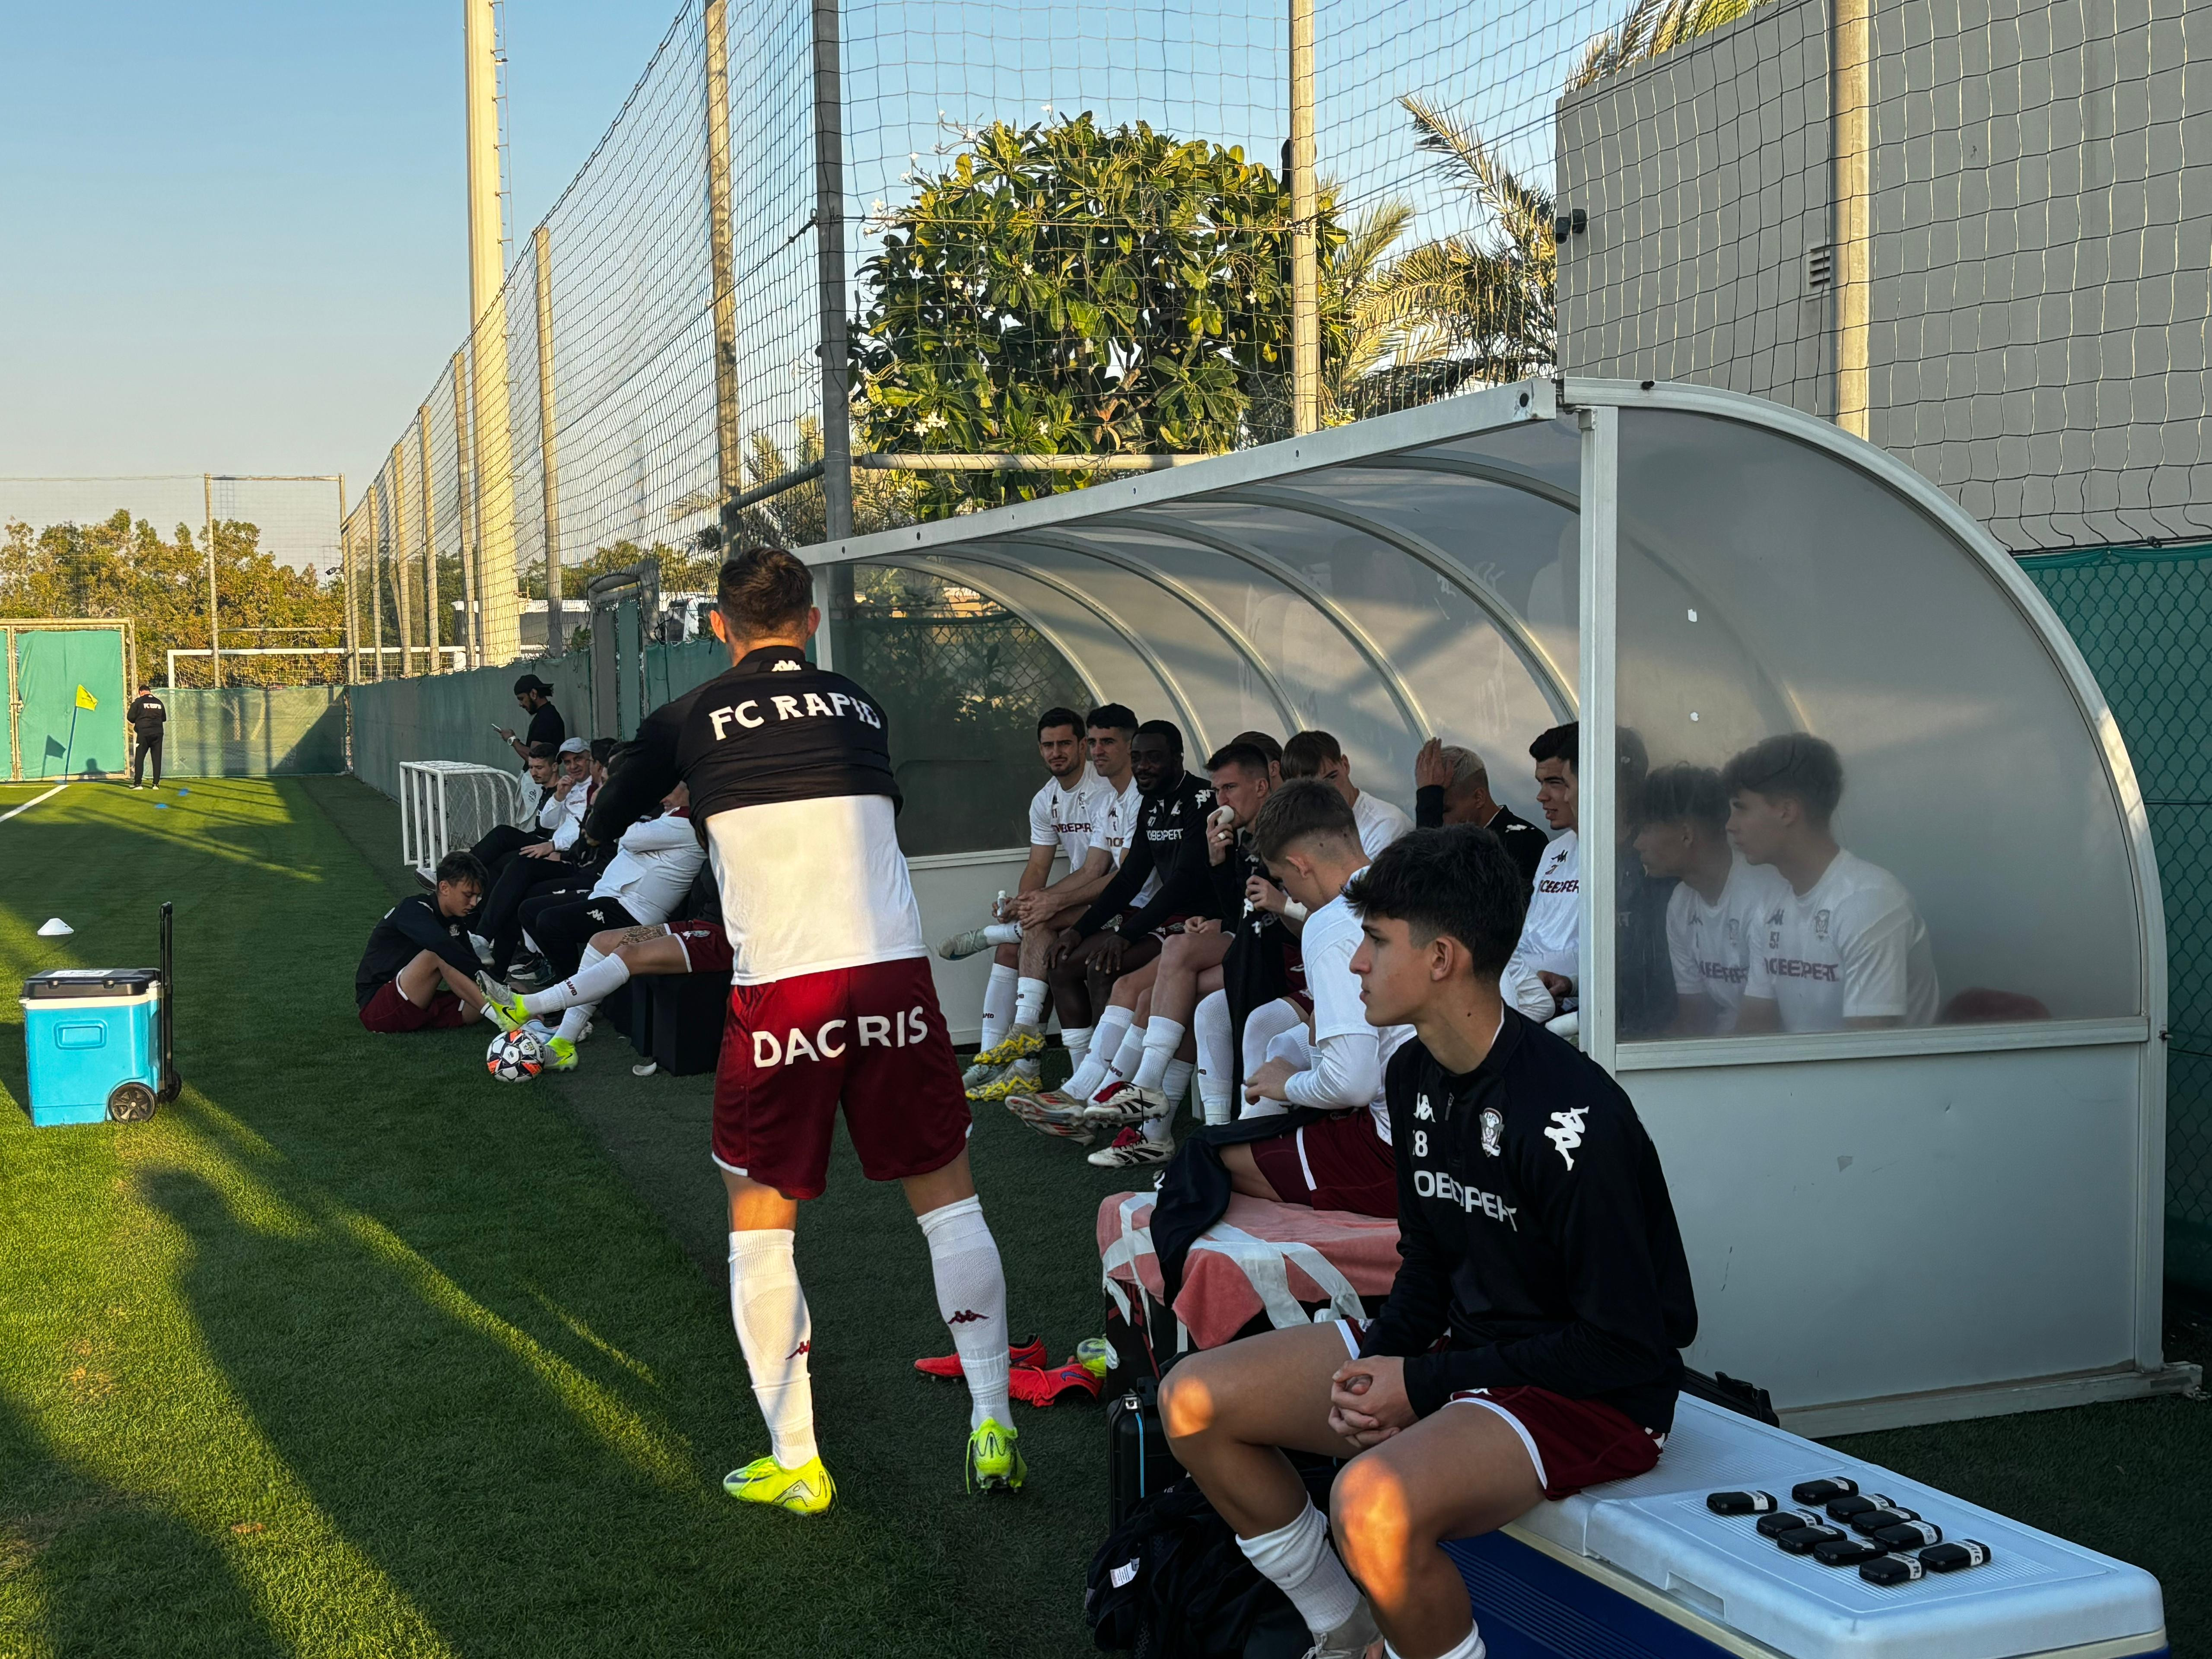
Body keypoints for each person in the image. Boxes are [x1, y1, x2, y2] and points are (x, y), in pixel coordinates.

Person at [1160, 826, 1698, 1659]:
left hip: (1592, 1397)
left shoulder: (1572, 1116)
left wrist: (1421, 1383)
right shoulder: (1412, 1073)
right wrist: (1386, 1359)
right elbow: (1429, 1260)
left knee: (1368, 1502)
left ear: (1443, 958)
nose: (1355, 964)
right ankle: (1343, 1631)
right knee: (1193, 1401)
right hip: (1463, 1352)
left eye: (1376, 942)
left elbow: (1625, 1344)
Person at [577, 545, 1027, 1511]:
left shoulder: (688, 715)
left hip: (784, 987)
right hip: (895, 975)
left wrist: (681, 789)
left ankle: (796, 1459)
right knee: (948, 1199)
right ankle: (993, 1420)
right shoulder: (859, 703)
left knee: (761, 1223)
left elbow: (608, 813)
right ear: (811, 623)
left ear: (718, 626)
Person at [1025, 741, 1273, 1168]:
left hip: (1265, 953)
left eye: (1229, 788)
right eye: (1218, 789)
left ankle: (1125, 1096)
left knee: (1175, 978)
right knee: (1138, 990)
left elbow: (1203, 891)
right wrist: (1220, 868)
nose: (1221, 799)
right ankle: (1123, 1111)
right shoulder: (1231, 831)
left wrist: (1136, 930)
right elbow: (1230, 905)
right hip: (1232, 937)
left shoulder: (1265, 829)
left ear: (1263, 785)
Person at [1220, 780, 1414, 1216]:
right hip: (1490, 1130)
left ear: (1299, 865)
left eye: (1283, 880)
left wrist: (1286, 1083)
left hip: (1406, 1153)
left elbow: (1353, 1084)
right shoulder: (1426, 888)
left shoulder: (1330, 923)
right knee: (1292, 1044)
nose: (1289, 894)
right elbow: (1530, 1000)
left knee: (1215, 1158)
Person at [939, 706, 1123, 1096]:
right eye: (1048, 746)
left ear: (1082, 746)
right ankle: (994, 1063)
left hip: (1109, 897)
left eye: (1065, 744)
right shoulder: (1045, 799)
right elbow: (1038, 866)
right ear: (1039, 749)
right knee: (1012, 947)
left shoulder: (1106, 790)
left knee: (1039, 924)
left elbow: (1097, 871)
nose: (1056, 753)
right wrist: (1021, 902)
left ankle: (1024, 1057)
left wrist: (1041, 903)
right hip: (1083, 896)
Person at [1723, 734, 1939, 1032]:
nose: (1730, 825)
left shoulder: (1869, 903)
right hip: (1810, 1065)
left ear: (1787, 811)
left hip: (1874, 1064)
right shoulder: (1770, 903)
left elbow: (1869, 1049)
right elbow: (1754, 1027)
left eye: (1741, 808)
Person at [1043, 719, 1218, 1047]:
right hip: (1165, 916)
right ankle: (1084, 1066)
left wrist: (1126, 935)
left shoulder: (1202, 798)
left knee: (1102, 968)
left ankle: (1109, 1068)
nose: (1142, 767)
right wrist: (1079, 930)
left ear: (1177, 758)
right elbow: (1129, 877)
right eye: (1137, 758)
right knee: (1061, 964)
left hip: (1201, 921)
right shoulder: (1151, 801)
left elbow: (1185, 880)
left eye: (1153, 758)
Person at [515, 781, 706, 1023]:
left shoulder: (688, 824)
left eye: (669, 790)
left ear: (690, 791)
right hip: (609, 896)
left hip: (634, 910)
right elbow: (629, 840)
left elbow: (629, 837)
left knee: (551, 921)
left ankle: (573, 997)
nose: (662, 799)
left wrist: (628, 827)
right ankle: (574, 986)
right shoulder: (670, 817)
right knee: (530, 909)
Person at [1632, 763, 1778, 1035]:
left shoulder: (1764, 897)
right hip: (1725, 1048)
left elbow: (1760, 1028)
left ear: (1687, 835)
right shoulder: (1680, 903)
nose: (1637, 843)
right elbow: (1695, 1018)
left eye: (1647, 829)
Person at [487, 912, 732, 1068]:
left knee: (627, 955)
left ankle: (525, 1006)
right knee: (601, 941)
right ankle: (563, 1044)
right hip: (702, 922)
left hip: (729, 935)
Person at [356, 851, 492, 1031]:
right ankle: (503, 1014)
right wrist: (492, 987)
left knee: (510, 990)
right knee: (437, 954)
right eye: (468, 895)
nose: (474, 903)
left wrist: (502, 987)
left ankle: (508, 1008)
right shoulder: (413, 909)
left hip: (419, 999)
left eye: (478, 896)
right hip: (378, 1006)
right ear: (444, 888)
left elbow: (471, 961)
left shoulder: (454, 921)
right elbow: (441, 946)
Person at [1411, 738, 1548, 885]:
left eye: (1446, 810)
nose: (1440, 820)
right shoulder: (1451, 842)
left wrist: (1428, 813)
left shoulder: (1525, 841)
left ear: (1479, 798)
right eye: (1433, 811)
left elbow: (1433, 886)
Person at [1281, 730, 1411, 856]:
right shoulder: (1303, 830)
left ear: (1345, 765)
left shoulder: (1386, 825)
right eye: (1311, 788)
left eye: (1332, 778)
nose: (1326, 792)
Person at [470, 744, 563, 878]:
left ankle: (459, 870)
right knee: (495, 855)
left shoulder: (564, 791)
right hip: (536, 837)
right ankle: (461, 870)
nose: (534, 773)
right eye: (531, 768)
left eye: (539, 768)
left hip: (550, 844)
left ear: (554, 767)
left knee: (502, 836)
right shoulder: (545, 789)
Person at [495, 673, 565, 760]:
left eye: (522, 699)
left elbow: (535, 758)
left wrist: (512, 740)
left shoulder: (546, 718)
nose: (521, 704)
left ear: (534, 694)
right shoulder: (546, 715)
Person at [127, 685, 166, 789]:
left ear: (140, 693)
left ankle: (138, 784)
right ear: (150, 692)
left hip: (144, 733)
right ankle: (156, 784)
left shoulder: (138, 702)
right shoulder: (159, 702)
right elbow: (163, 718)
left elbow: (130, 717)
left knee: (140, 758)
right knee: (157, 758)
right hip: (158, 733)